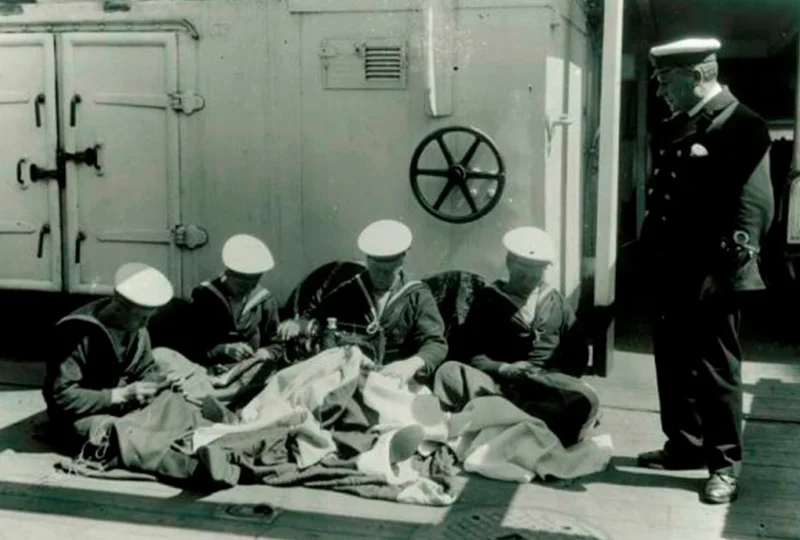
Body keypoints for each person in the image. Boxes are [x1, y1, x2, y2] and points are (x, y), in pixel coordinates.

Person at [637, 37, 774, 504]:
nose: (660, 93)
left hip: (711, 272)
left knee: (715, 370)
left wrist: (728, 271)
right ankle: (685, 446)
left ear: (697, 77)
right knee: (673, 361)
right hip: (671, 267)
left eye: (665, 82)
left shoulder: (742, 124)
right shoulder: (685, 123)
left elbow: (753, 209)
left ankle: (724, 466)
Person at [432, 227, 600, 447]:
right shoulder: (488, 299)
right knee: (449, 372)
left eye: (535, 275)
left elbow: (577, 353)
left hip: (547, 385)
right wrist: (504, 368)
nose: (528, 281)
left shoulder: (556, 302)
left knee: (585, 400)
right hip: (497, 383)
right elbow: (469, 351)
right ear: (509, 264)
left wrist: (551, 375)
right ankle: (522, 419)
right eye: (522, 274)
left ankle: (507, 418)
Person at [276, 219, 448, 385]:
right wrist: (299, 325)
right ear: (367, 260)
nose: (380, 277)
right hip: (353, 377)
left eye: (388, 272)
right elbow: (318, 317)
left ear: (402, 261)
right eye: (376, 270)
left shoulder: (417, 296)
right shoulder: (352, 289)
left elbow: (435, 343)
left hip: (396, 381)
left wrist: (411, 365)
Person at [42, 262, 176, 453]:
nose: (145, 324)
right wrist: (120, 395)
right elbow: (61, 396)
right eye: (142, 318)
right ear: (120, 307)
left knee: (174, 409)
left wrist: (153, 383)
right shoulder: (75, 332)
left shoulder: (136, 329)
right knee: (125, 438)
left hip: (121, 407)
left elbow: (146, 368)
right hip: (78, 416)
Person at [183, 234, 285, 406]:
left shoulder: (264, 301)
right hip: (211, 371)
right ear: (228, 274)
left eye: (254, 283)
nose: (249, 289)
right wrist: (220, 349)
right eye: (243, 284)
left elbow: (278, 344)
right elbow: (188, 346)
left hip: (248, 373)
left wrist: (265, 352)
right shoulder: (205, 297)